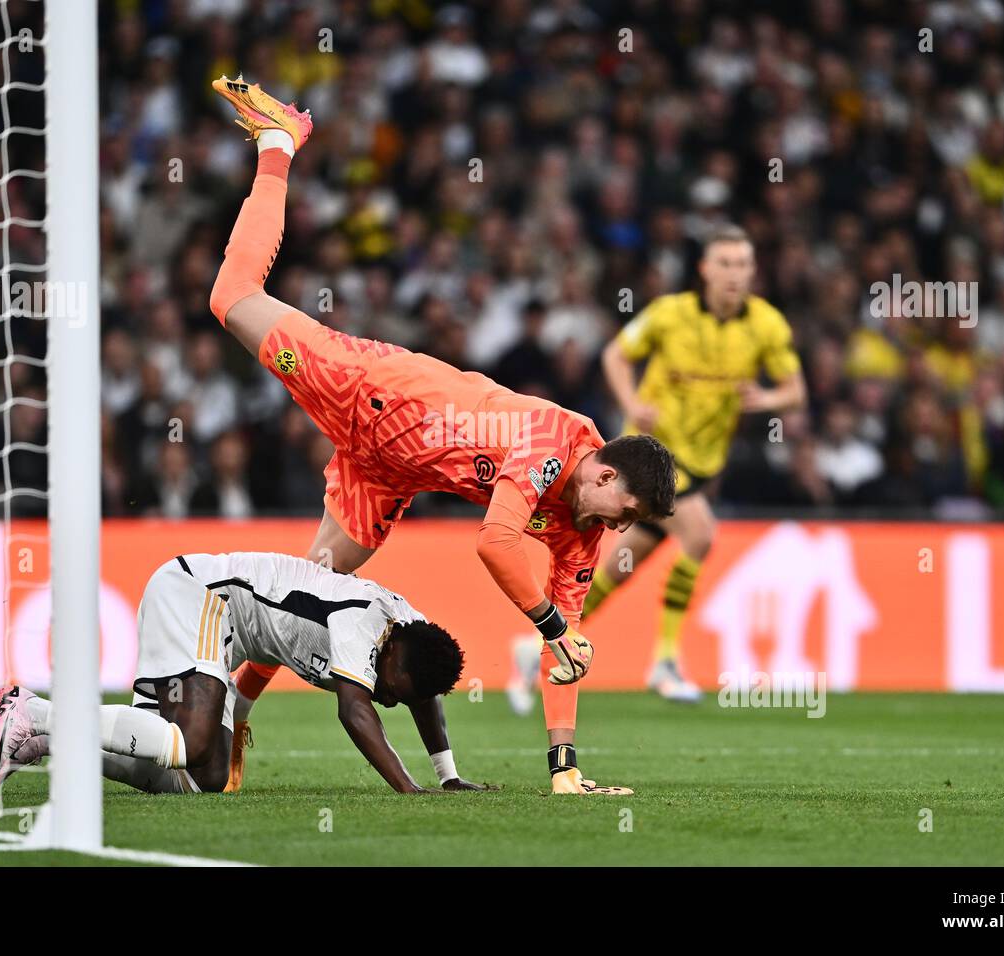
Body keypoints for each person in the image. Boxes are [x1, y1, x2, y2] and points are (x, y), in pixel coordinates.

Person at [207, 77, 676, 794]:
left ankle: (234, 713)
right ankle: (279, 142)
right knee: (231, 297)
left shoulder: (581, 528)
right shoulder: (553, 440)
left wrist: (564, 763)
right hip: (372, 392)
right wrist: (553, 625)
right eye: (628, 515)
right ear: (606, 475)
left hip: (388, 473)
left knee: (313, 587)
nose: (620, 532)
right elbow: (493, 543)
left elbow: (568, 648)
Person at [0, 551, 487, 795]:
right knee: (191, 743)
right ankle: (34, 710)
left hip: (221, 640)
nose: (390, 699)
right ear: (392, 647)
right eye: (393, 688)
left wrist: (448, 776)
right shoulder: (363, 624)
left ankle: (43, 743)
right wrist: (408, 788)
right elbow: (354, 711)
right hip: (200, 596)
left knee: (200, 778)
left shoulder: (411, 635)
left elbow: (425, 693)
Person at [587, 225, 806, 701]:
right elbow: (616, 356)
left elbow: (795, 393)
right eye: (725, 263)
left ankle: (545, 642)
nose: (734, 273)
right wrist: (631, 400)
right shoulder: (669, 314)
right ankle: (665, 662)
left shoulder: (766, 325)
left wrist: (763, 398)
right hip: (651, 450)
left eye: (743, 264)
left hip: (704, 461)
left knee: (626, 563)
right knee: (701, 533)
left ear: (753, 271)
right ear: (705, 269)